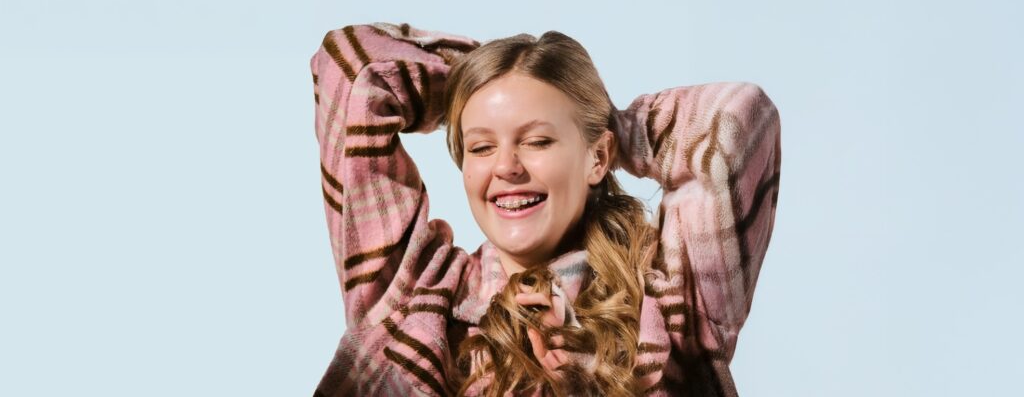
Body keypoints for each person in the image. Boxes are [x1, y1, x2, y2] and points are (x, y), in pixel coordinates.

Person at [308, 22, 781, 397]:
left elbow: (740, 118)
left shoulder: (665, 295)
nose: (506, 167)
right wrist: (484, 74)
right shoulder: (414, 292)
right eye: (481, 147)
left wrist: (609, 123)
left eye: (537, 141)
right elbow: (351, 71)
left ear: (599, 157)